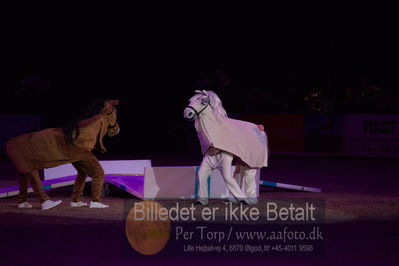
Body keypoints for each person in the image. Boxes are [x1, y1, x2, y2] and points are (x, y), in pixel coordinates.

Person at [6, 99, 120, 210]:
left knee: (82, 172)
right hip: (78, 149)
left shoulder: (92, 118)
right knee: (98, 173)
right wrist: (108, 106)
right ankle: (95, 201)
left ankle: (74, 200)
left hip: (75, 148)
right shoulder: (99, 118)